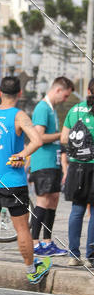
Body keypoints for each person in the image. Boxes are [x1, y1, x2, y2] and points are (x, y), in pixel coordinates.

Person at [0, 75, 51, 288]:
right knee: (22, 229)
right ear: (19, 94)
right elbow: (37, 141)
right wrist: (22, 155)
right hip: (13, 181)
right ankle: (31, 270)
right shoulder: (19, 116)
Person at [30, 77, 74, 256]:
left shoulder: (52, 109)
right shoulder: (42, 108)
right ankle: (34, 243)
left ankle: (47, 242)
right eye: (65, 96)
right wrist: (61, 135)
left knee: (54, 198)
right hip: (43, 162)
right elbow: (38, 137)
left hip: (53, 162)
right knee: (43, 200)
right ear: (57, 90)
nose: (65, 100)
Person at [60, 78, 94, 267]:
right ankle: (91, 256)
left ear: (88, 91)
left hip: (76, 166)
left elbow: (65, 138)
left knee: (77, 210)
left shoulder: (75, 110)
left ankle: (74, 254)